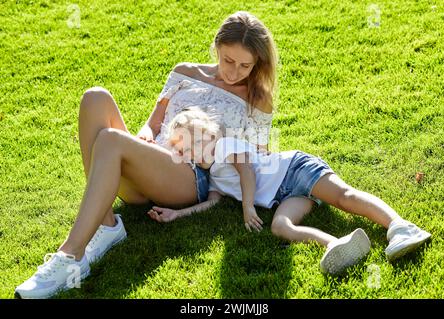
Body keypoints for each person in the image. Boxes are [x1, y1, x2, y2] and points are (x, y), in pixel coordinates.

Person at [15, 11, 277, 299]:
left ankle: (70, 256)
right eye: (228, 60)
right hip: (151, 161)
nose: (234, 71)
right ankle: (106, 224)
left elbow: (257, 158)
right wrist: (146, 138)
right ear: (217, 46)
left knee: (111, 140)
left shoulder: (258, 98)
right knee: (95, 97)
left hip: (189, 177)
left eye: (245, 65)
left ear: (257, 64)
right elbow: (153, 124)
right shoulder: (185, 72)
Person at [148, 108, 432, 275]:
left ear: (210, 135)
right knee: (280, 226)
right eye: (185, 151)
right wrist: (178, 213)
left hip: (295, 169)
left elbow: (247, 172)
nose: (191, 153)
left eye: (194, 143)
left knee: (344, 197)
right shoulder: (212, 180)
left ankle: (400, 227)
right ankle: (336, 244)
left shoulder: (226, 146)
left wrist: (248, 207)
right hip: (285, 196)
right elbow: (211, 204)